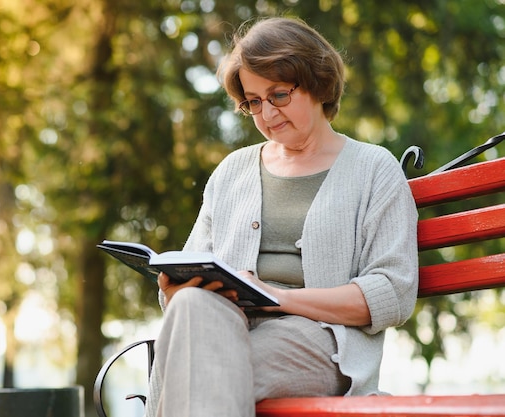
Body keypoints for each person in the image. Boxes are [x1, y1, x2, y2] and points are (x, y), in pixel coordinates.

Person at [144, 16, 418, 417]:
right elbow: (192, 267)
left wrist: (277, 298)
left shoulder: (374, 169)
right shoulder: (232, 171)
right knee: (190, 312)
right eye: (253, 102)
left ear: (317, 82)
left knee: (203, 367)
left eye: (278, 95)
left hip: (319, 339)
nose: (266, 113)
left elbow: (391, 293)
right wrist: (174, 289)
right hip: (225, 325)